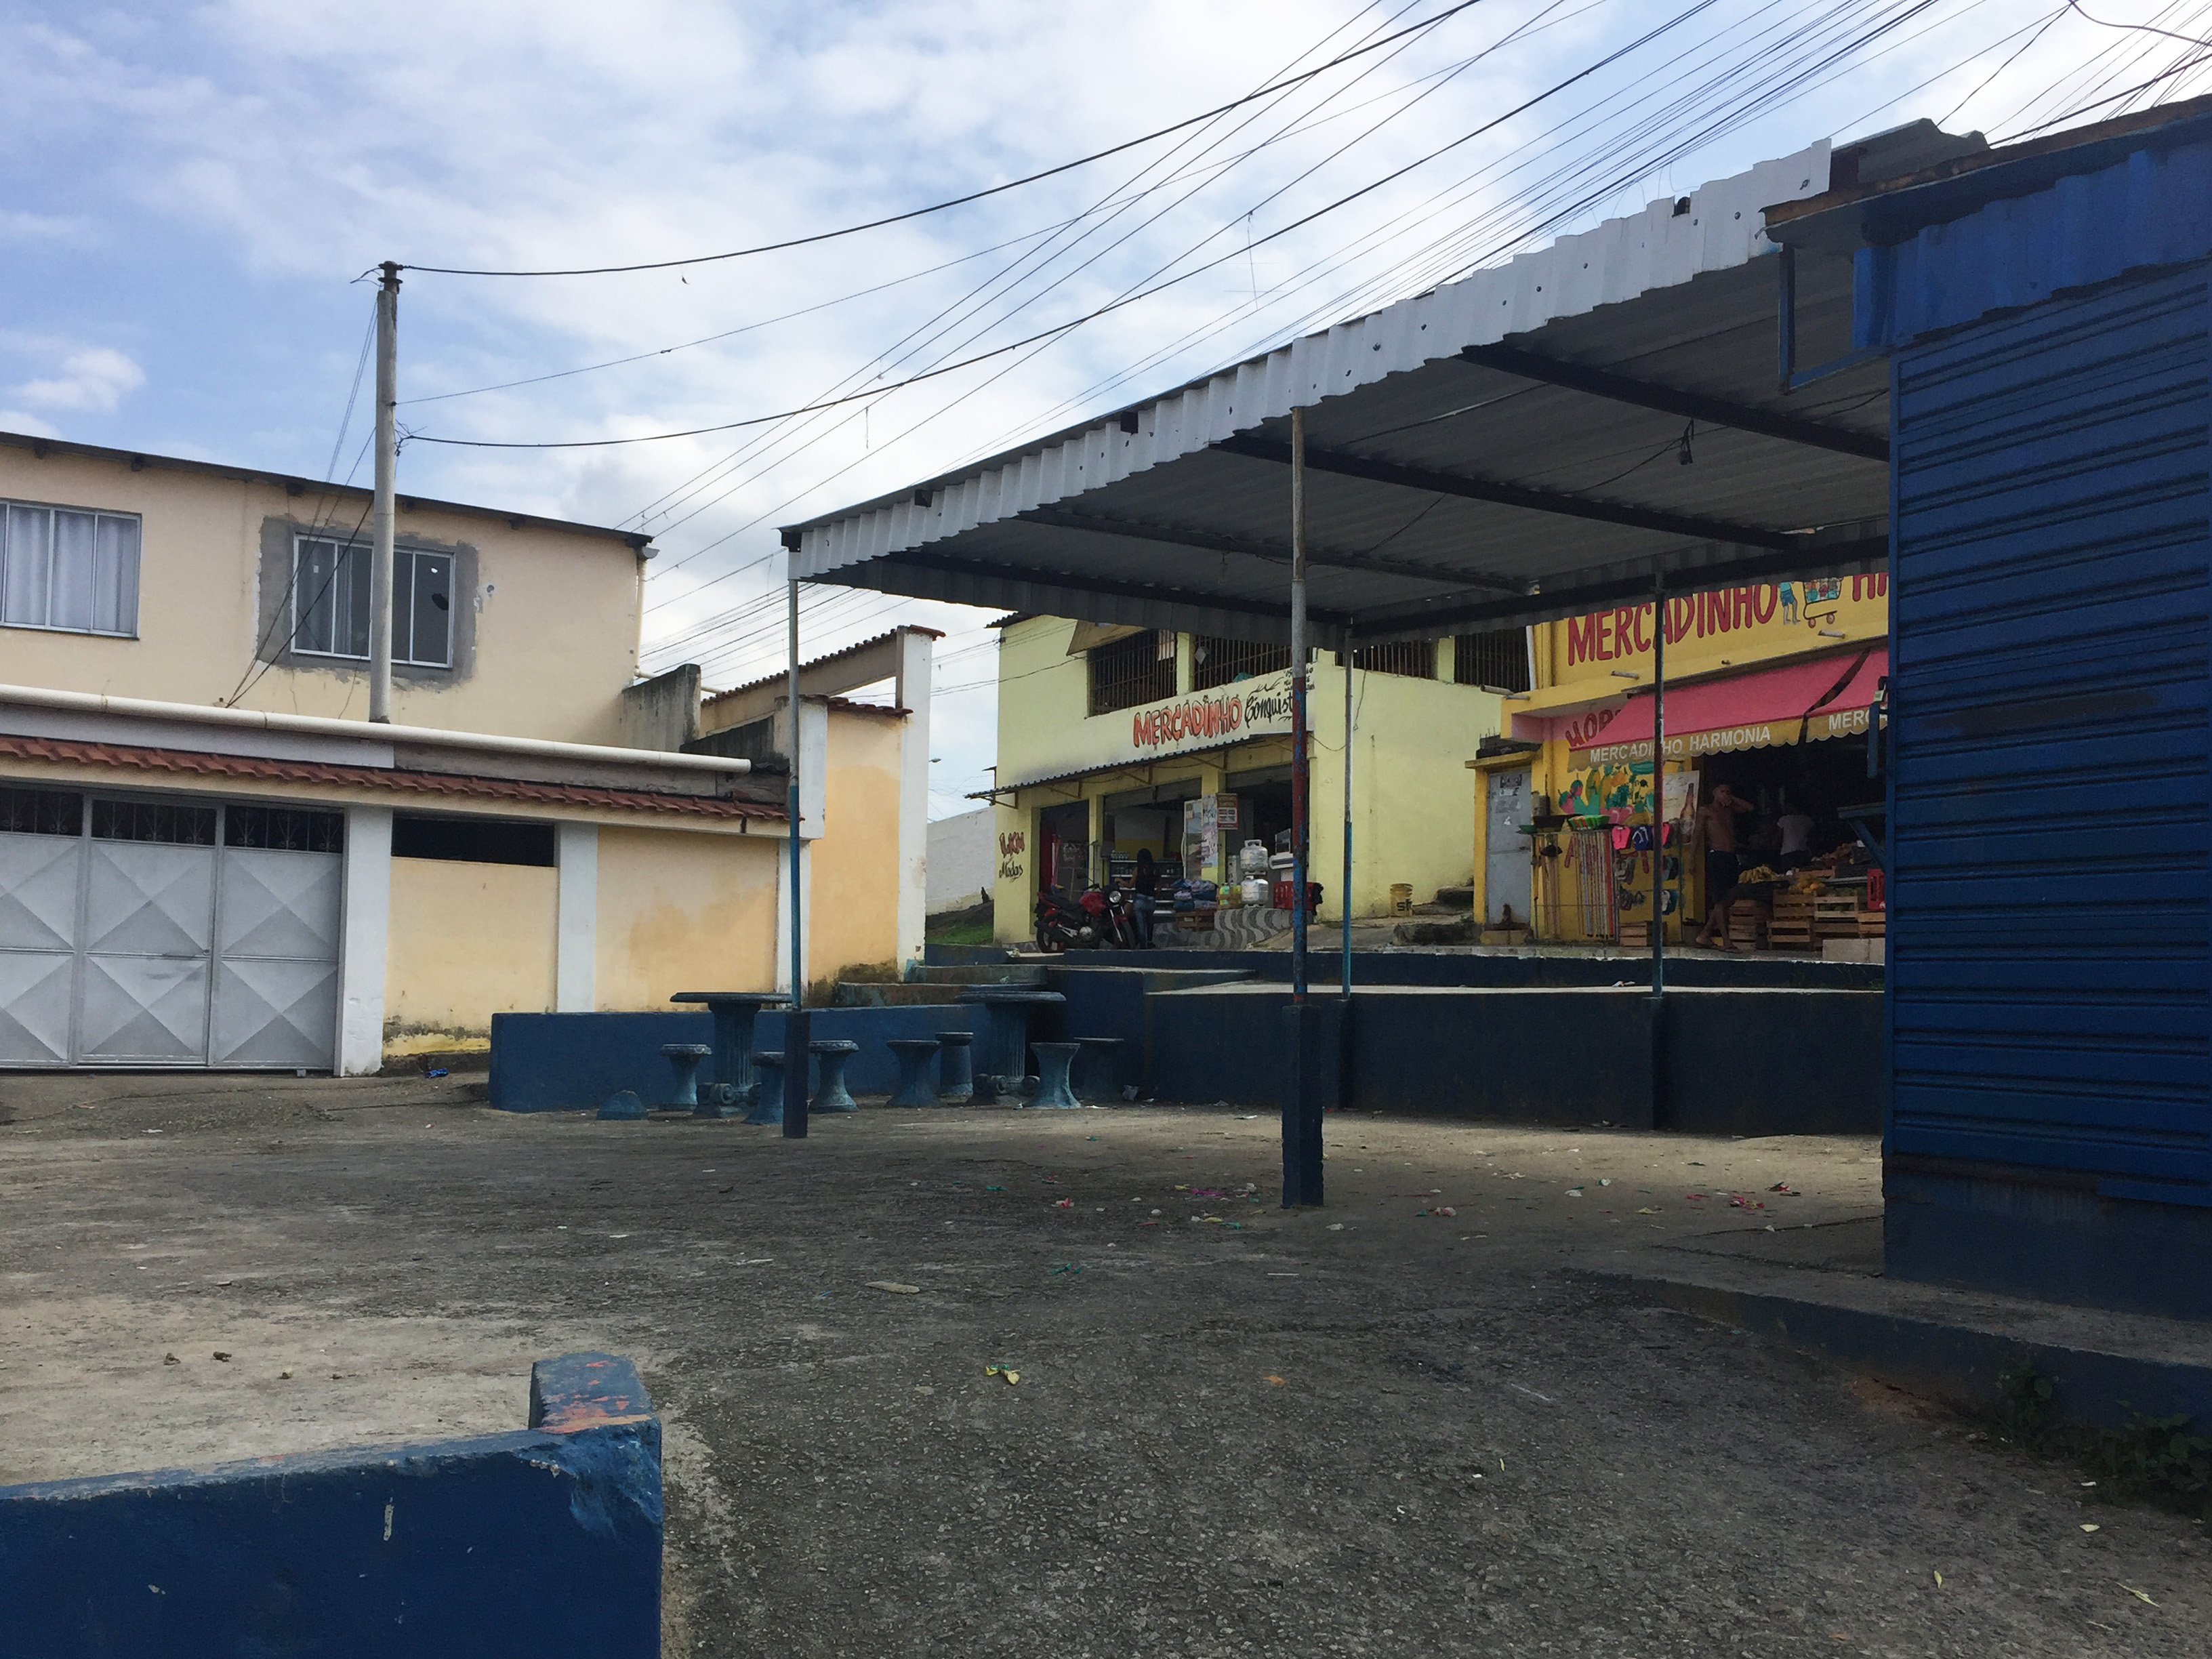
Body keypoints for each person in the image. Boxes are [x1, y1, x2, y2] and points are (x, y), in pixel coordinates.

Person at [1693, 782, 1753, 949]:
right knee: (1719, 900)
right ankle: (1726, 941)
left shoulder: (1729, 809)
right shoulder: (1706, 810)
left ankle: (1705, 935)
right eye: (1722, 792)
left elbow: (1749, 808)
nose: (1725, 794)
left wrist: (1731, 798)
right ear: (1714, 793)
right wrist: (1692, 859)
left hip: (1731, 856)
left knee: (1729, 898)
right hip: (1717, 856)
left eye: (1728, 791)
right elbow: (1697, 834)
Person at [1775, 801, 1818, 872]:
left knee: (1788, 874)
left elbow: (1778, 836)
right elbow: (1812, 837)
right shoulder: (1807, 820)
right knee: (1803, 873)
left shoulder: (1784, 820)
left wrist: (1775, 846)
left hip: (1788, 852)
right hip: (1802, 851)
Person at [1130, 848, 1158, 948]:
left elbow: (1130, 885)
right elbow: (1160, 885)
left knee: (1141, 925)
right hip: (1151, 900)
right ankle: (1150, 941)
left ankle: (1143, 947)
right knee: (1150, 922)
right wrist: (1156, 894)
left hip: (1140, 899)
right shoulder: (1155, 870)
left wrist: (1120, 881)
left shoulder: (1137, 869)